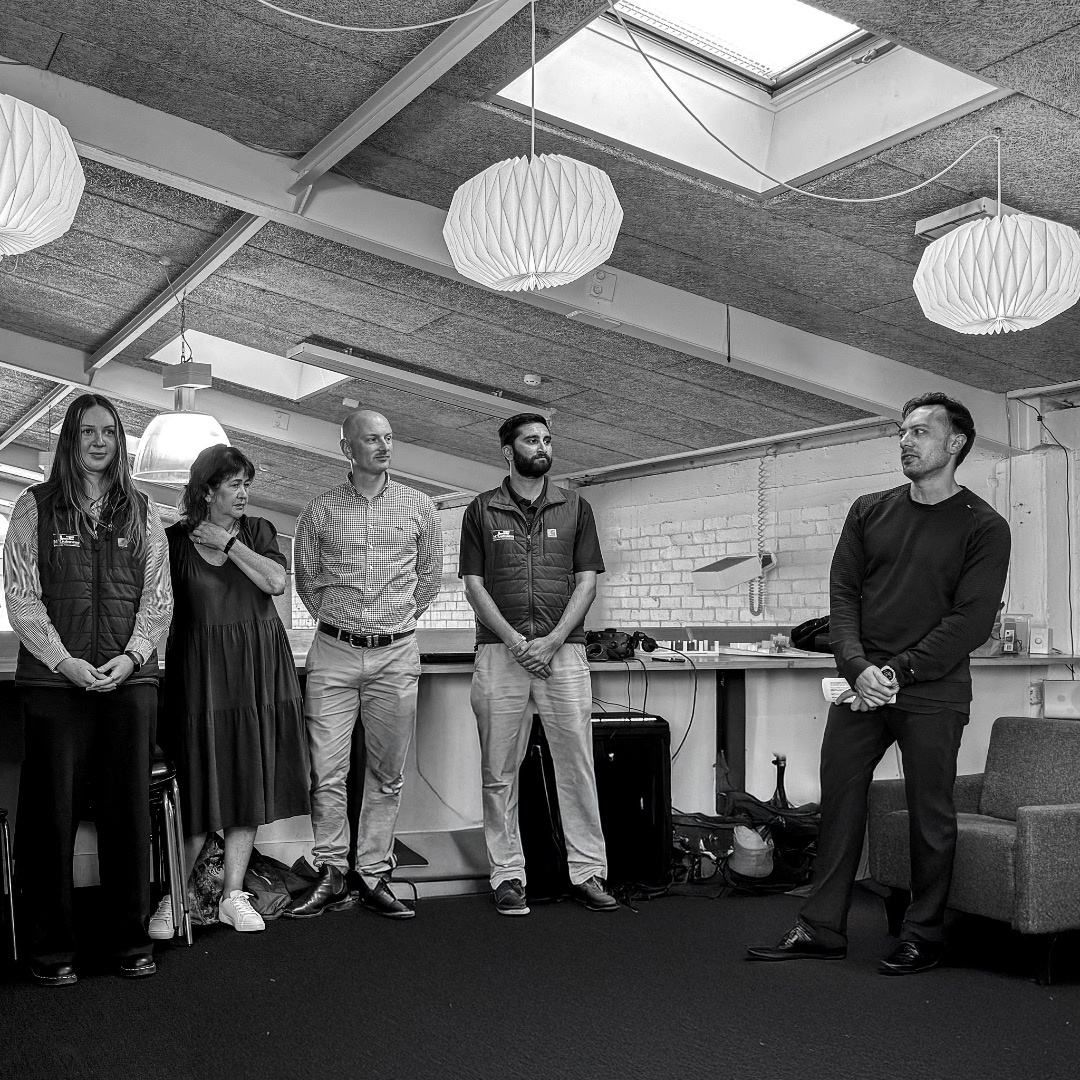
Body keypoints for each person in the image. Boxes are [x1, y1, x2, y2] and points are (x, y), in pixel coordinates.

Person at [747, 392, 1011, 975]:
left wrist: (896, 672)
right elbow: (843, 597)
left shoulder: (985, 527)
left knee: (930, 813)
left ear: (955, 443)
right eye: (902, 432)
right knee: (840, 800)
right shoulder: (870, 510)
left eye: (919, 432)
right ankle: (820, 928)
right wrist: (857, 666)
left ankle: (924, 933)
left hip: (931, 691)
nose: (905, 441)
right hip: (861, 687)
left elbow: (969, 621)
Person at [3, 394, 173, 985]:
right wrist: (64, 662)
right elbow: (22, 599)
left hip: (130, 684)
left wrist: (131, 659)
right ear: (68, 439)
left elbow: (158, 600)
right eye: (87, 431)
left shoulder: (144, 512)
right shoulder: (33, 508)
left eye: (109, 431)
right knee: (51, 820)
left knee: (128, 816)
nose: (99, 441)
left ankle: (129, 944)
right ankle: (51, 953)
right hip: (55, 686)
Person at [287, 409, 442, 920]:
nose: (383, 446)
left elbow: (429, 578)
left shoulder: (419, 507)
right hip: (334, 652)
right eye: (371, 439)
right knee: (326, 771)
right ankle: (332, 870)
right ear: (346, 448)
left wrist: (391, 623)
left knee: (386, 774)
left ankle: (373, 871)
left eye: (388, 438)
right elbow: (306, 581)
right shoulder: (319, 512)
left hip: (396, 654)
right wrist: (344, 623)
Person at [459, 413, 616, 916]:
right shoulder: (481, 511)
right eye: (531, 440)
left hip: (564, 654)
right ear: (507, 450)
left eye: (547, 439)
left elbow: (587, 581)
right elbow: (474, 587)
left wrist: (549, 642)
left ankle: (589, 871)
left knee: (577, 768)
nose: (542, 446)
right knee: (498, 772)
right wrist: (515, 641)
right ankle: (507, 876)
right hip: (499, 655)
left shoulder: (576, 507)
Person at [153, 444, 310, 938]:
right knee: (199, 788)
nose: (245, 492)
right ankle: (173, 897)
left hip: (258, 671)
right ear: (206, 489)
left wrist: (227, 543)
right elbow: (155, 607)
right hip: (199, 675)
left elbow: (276, 583)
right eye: (234, 484)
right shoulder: (173, 541)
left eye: (247, 483)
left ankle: (232, 896)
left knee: (247, 779)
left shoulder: (259, 532)